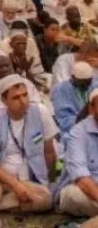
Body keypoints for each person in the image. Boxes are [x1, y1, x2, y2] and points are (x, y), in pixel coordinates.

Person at [0, 74, 56, 212]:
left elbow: (49, 150)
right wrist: (14, 184)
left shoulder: (40, 112)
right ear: (4, 100)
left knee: (46, 199)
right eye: (16, 97)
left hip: (30, 179)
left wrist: (52, 178)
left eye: (25, 95)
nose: (23, 101)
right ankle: (12, 199)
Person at [56, 87, 98, 217]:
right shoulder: (78, 133)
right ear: (91, 109)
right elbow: (82, 180)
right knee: (73, 195)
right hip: (81, 188)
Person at [51, 59, 96, 145]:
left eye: (88, 82)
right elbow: (64, 121)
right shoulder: (61, 90)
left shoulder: (94, 84)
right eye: (82, 83)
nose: (86, 86)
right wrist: (85, 116)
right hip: (74, 129)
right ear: (73, 78)